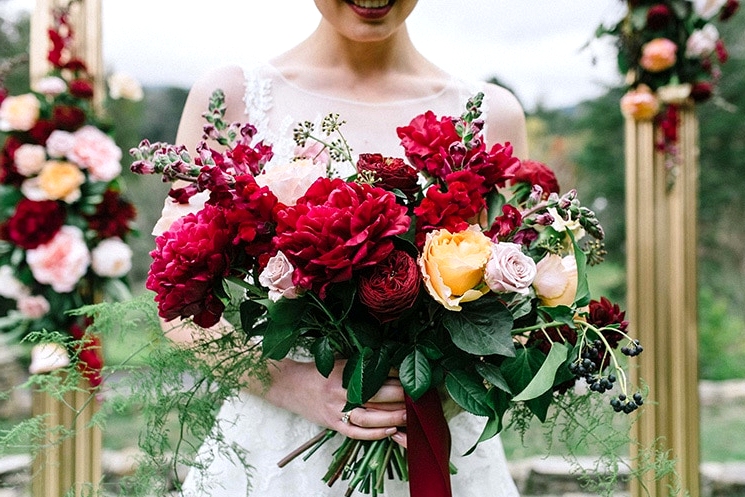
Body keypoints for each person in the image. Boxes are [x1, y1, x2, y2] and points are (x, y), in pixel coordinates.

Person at [155, 1, 528, 495]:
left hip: (432, 441)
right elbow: (176, 304)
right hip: (277, 452)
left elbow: (523, 310)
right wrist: (293, 385)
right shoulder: (232, 98)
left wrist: (443, 391)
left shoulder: (492, 113)